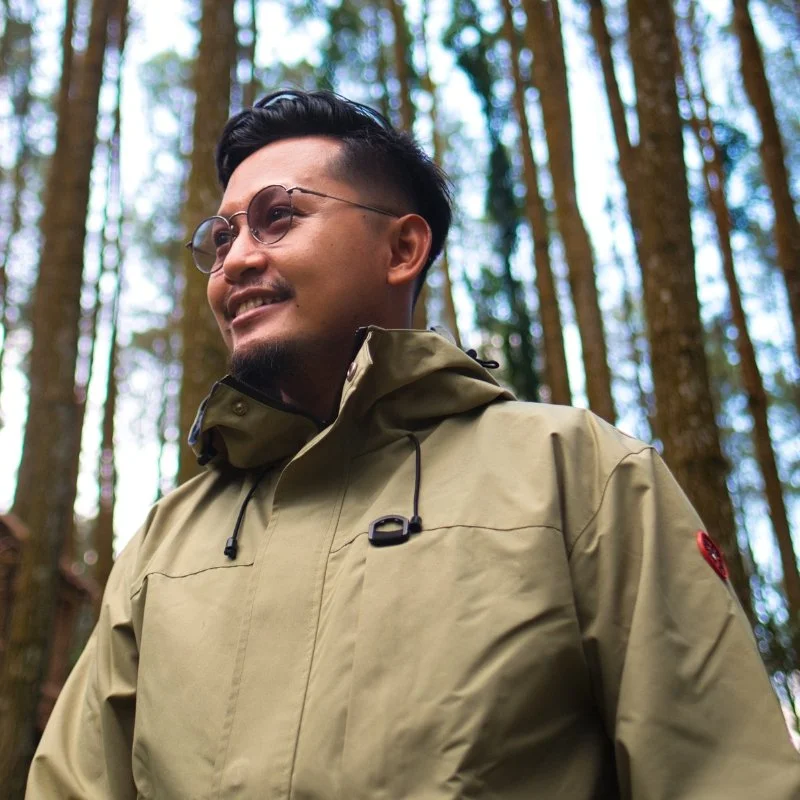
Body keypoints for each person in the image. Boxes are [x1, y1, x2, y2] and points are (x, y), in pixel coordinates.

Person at [27, 89, 800, 799]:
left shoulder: (578, 476)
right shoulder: (163, 543)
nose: (236, 261)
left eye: (279, 217)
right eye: (222, 237)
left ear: (402, 249)